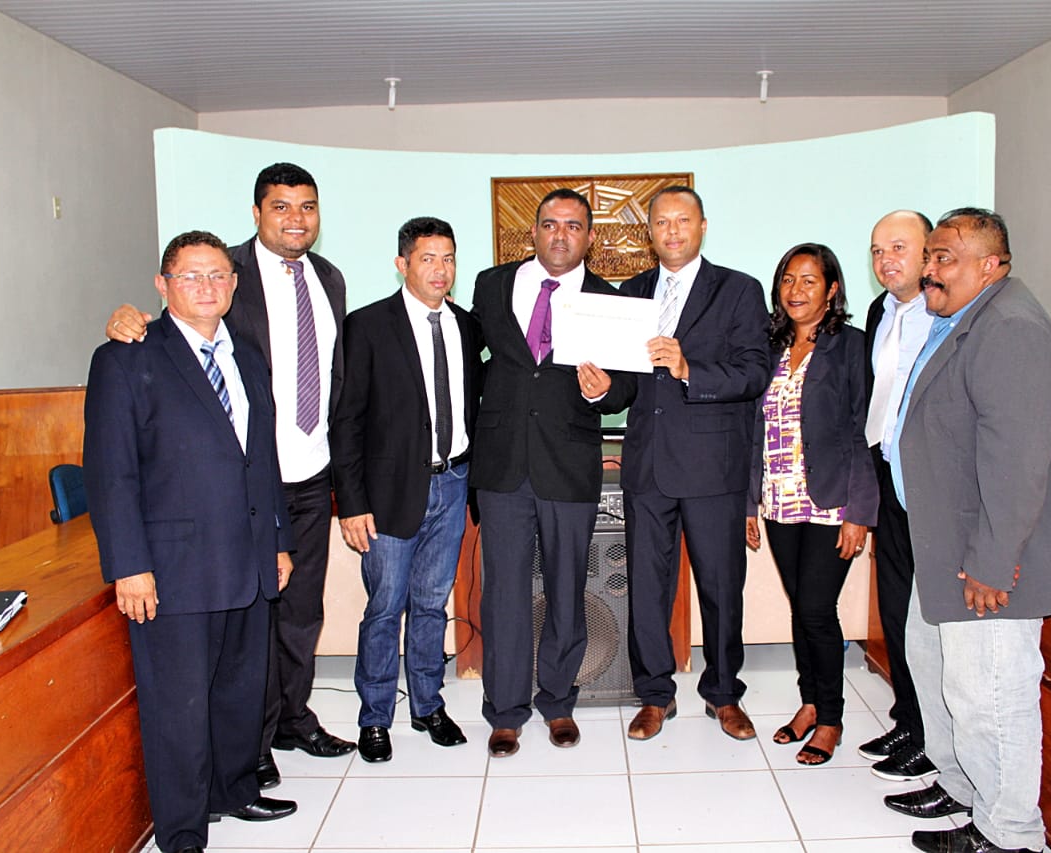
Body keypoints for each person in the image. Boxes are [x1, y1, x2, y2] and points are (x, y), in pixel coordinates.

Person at [107, 163, 354, 789]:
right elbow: (180, 335)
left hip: (309, 471)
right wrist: (129, 321)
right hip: (241, 484)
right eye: (281, 207)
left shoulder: (329, 277)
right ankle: (255, 742)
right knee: (253, 621)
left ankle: (293, 718)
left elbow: (334, 375)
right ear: (256, 213)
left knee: (299, 611)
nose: (295, 219)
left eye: (307, 207)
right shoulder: (226, 274)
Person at [84, 231, 298, 853]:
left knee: (239, 689)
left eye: (218, 275)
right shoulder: (126, 358)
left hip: (248, 555)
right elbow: (110, 472)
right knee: (177, 705)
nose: (208, 286)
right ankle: (181, 830)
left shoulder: (246, 354)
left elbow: (261, 458)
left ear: (234, 285)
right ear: (163, 285)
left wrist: (278, 541)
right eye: (191, 276)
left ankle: (234, 789)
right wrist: (128, 565)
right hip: (172, 566)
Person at [886, 209, 1051, 853]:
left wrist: (994, 563)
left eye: (944, 257)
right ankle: (962, 788)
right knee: (937, 671)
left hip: (987, 559)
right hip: (943, 541)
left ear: (991, 265)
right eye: (930, 257)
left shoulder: (1012, 330)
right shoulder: (963, 319)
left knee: (991, 696)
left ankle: (1010, 833)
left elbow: (1017, 464)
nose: (929, 270)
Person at [470, 188, 635, 757]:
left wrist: (605, 391)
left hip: (568, 464)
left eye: (573, 225)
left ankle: (559, 701)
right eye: (549, 224)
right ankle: (505, 710)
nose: (560, 234)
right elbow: (470, 361)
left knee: (567, 589)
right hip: (502, 465)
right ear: (534, 231)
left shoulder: (608, 300)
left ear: (589, 237)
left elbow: (628, 383)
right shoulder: (492, 285)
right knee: (504, 594)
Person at [614, 186, 770, 741]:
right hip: (647, 466)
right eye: (661, 222)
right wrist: (598, 387)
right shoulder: (631, 293)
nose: (672, 231)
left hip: (713, 467)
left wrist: (689, 370)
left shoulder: (739, 289)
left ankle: (724, 694)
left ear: (703, 226)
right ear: (649, 232)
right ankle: (654, 695)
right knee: (646, 589)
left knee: (721, 588)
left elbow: (755, 372)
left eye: (683, 220)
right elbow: (624, 385)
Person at [330, 217, 481, 762]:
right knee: (385, 606)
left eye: (448, 259)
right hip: (389, 494)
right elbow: (346, 420)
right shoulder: (368, 326)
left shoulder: (466, 326)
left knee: (432, 604)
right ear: (402, 264)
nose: (440, 270)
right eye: (427, 259)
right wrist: (352, 503)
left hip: (454, 482)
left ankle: (427, 705)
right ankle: (374, 717)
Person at [744, 243, 878, 765]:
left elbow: (862, 432)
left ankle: (831, 719)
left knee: (819, 609)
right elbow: (753, 428)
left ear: (832, 289)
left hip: (831, 501)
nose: (795, 290)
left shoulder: (851, 347)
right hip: (779, 499)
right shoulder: (771, 345)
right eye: (787, 280)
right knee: (801, 606)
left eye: (808, 281)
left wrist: (859, 512)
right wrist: (750, 501)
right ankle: (809, 702)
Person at [857, 211, 939, 781]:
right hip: (885, 474)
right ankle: (909, 720)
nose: (886, 260)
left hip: (930, 483)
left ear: (929, 252)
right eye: (877, 250)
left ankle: (933, 737)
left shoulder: (945, 314)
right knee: (895, 609)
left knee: (927, 616)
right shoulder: (879, 312)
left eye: (899, 247)